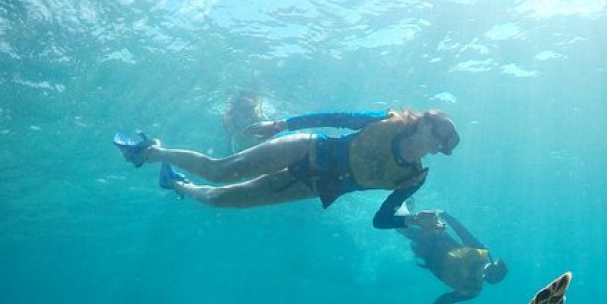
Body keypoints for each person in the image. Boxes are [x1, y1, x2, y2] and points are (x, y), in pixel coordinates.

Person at [113, 108, 459, 230]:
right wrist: (282, 124)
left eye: (445, 144)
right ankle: (151, 151)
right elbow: (334, 118)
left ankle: (177, 185)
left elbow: (381, 220)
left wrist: (413, 220)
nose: (437, 140)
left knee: (222, 200)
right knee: (222, 171)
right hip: (310, 146)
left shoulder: (412, 178)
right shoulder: (389, 121)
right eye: (438, 130)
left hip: (313, 185)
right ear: (424, 122)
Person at [398, 206, 508, 304]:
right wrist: (446, 216)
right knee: (402, 227)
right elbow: (463, 232)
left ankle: (403, 212)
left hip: (428, 256)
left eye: (486, 275)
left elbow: (449, 298)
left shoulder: (472, 290)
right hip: (438, 240)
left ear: (486, 279)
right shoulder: (481, 252)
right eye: (489, 268)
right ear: (491, 264)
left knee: (407, 234)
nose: (483, 271)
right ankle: (404, 209)